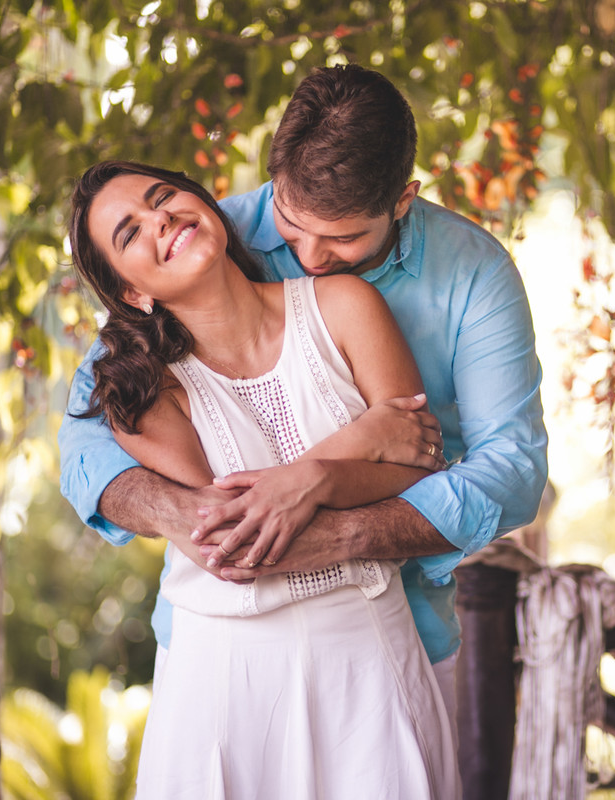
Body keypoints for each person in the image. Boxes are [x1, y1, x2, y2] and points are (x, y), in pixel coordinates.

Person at [58, 64, 548, 725]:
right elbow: (88, 434)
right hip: (222, 643)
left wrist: (337, 530)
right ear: (274, 177)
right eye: (291, 226)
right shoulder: (199, 239)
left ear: (403, 199)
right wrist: (190, 518)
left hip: (400, 634)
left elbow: (511, 471)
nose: (312, 257)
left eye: (344, 237)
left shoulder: (474, 276)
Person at [68, 159, 460, 797]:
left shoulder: (344, 305)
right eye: (131, 233)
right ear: (133, 293)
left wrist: (311, 483)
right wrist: (363, 442)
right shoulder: (140, 393)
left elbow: (419, 465)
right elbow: (233, 537)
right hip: (226, 679)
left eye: (164, 198)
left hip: (369, 659)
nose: (161, 219)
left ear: (206, 205)